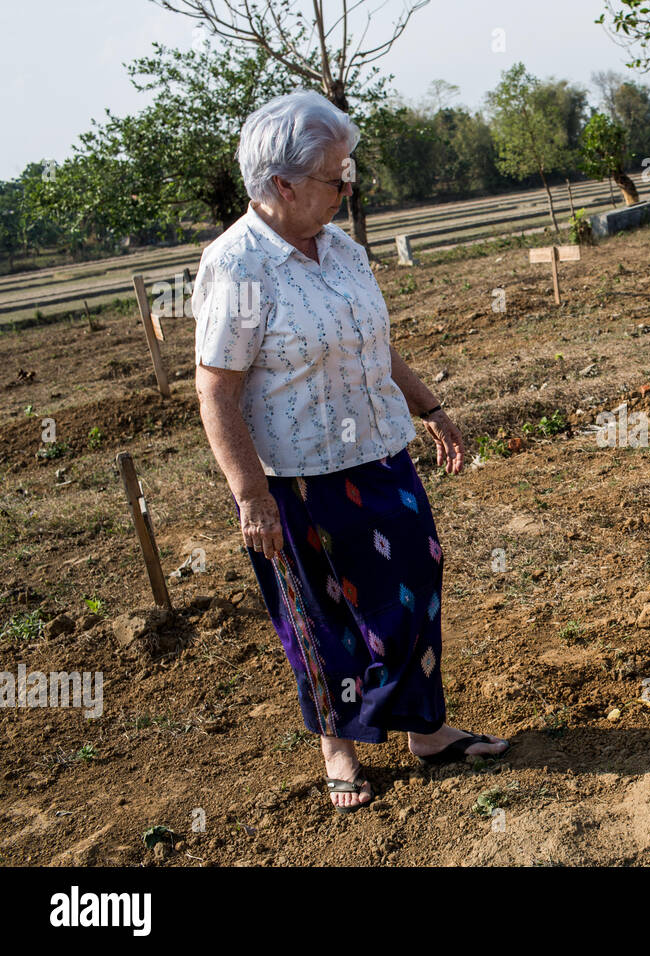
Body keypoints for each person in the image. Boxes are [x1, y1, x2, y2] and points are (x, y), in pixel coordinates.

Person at [192, 89, 506, 813]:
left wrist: (430, 406)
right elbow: (218, 390)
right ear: (283, 185)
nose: (349, 186)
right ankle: (337, 747)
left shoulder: (342, 249)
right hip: (298, 478)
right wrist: (250, 494)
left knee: (416, 579)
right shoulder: (239, 266)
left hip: (378, 451)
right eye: (337, 177)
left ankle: (424, 730)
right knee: (320, 611)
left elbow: (375, 344)